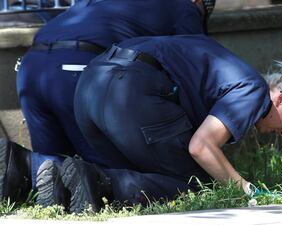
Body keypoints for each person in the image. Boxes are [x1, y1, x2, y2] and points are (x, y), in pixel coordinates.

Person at [52, 34, 282, 213]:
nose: (281, 133)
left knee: (147, 178)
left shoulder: (233, 75)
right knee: (198, 185)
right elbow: (201, 147)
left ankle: (26, 168)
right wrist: (248, 191)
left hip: (91, 85)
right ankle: (98, 182)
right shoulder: (254, 91)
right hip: (130, 91)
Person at [3, 0, 216, 206]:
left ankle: (18, 162)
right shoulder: (186, 6)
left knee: (48, 165)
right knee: (100, 174)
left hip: (31, 67)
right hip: (75, 65)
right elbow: (194, 65)